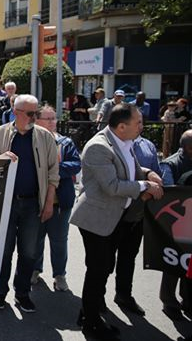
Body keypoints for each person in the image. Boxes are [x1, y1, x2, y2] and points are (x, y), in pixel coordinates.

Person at [70, 103, 164, 340]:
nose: (142, 126)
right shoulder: (98, 147)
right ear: (121, 127)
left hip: (114, 218)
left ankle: (87, 312)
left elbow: (127, 167)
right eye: (138, 123)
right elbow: (112, 186)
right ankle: (91, 324)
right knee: (98, 270)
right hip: (96, 219)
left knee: (103, 268)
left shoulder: (123, 141)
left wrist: (146, 172)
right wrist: (145, 185)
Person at [0, 94, 59, 313]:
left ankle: (22, 293)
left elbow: (53, 174)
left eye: (35, 113)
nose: (33, 117)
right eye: (30, 113)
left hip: (32, 204)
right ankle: (0, 293)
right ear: (15, 112)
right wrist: (0, 159)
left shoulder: (45, 136)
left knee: (28, 252)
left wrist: (48, 204)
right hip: (7, 203)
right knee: (4, 250)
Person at [31, 105, 81, 293]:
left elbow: (76, 165)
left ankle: (60, 275)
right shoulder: (32, 141)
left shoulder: (65, 142)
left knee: (59, 241)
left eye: (54, 118)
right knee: (36, 240)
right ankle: (35, 270)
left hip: (61, 203)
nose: (53, 122)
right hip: (37, 201)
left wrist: (52, 168)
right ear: (37, 120)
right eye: (48, 118)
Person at [159, 129, 192, 320]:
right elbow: (170, 190)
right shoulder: (170, 164)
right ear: (188, 148)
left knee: (189, 264)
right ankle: (169, 301)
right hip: (177, 222)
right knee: (173, 263)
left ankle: (187, 300)